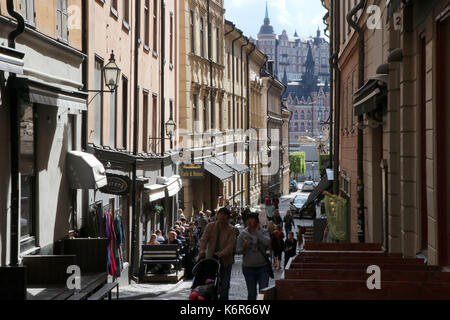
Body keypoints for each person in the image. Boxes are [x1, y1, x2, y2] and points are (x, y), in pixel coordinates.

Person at [198, 207, 236, 300]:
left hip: (225, 260)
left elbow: (231, 245)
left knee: (225, 284)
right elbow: (204, 240)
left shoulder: (232, 229)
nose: (222, 216)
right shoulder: (210, 226)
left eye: (225, 214)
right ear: (217, 215)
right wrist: (202, 250)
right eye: (220, 214)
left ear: (228, 217)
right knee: (209, 282)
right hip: (211, 258)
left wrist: (222, 253)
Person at [237, 212, 271, 300]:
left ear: (257, 221)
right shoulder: (243, 234)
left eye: (252, 220)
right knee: (251, 293)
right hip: (248, 268)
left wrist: (256, 233)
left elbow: (267, 243)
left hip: (263, 267)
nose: (250, 223)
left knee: (263, 293)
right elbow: (237, 251)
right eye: (248, 221)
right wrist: (244, 247)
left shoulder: (264, 232)